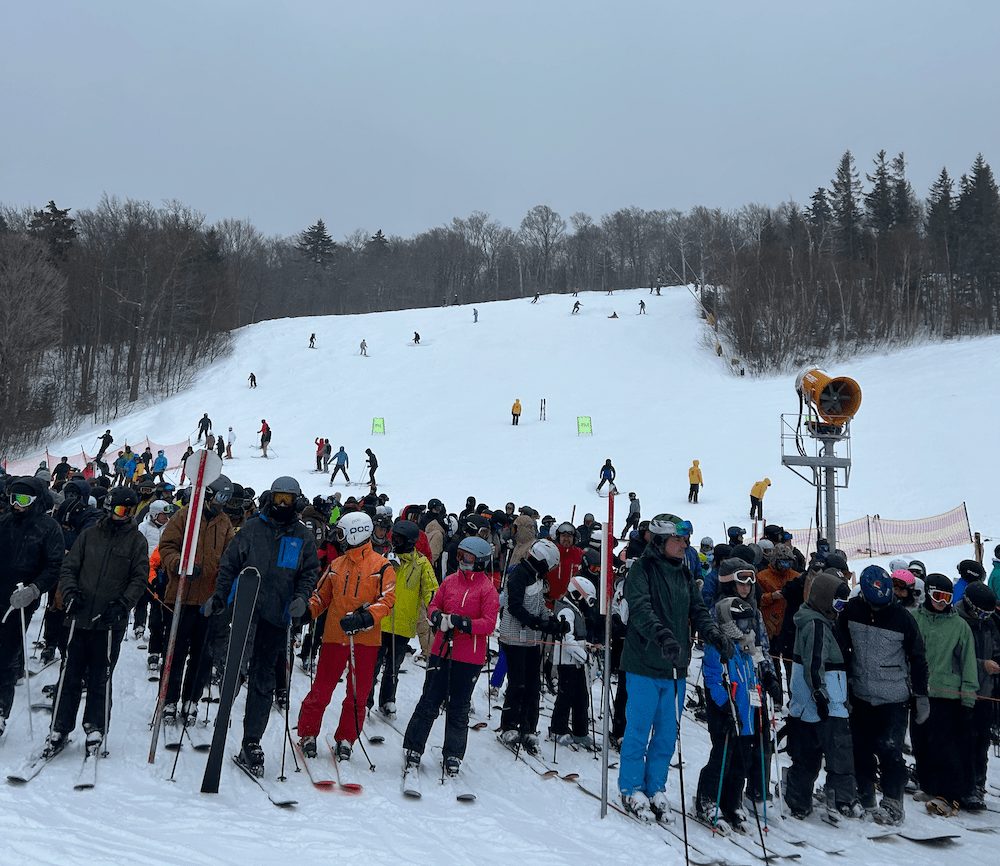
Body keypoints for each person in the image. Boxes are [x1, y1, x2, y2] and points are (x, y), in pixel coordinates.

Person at [618, 514, 734, 824]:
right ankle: (631, 786)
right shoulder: (642, 569)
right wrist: (662, 634)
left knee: (668, 733)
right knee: (639, 728)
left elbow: (698, 609)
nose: (684, 545)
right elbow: (640, 607)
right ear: (660, 541)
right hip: (644, 662)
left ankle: (656, 786)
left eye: (685, 540)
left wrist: (713, 634)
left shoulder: (683, 573)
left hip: (674, 667)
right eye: (678, 539)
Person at [202, 476, 319, 775]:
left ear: (296, 502)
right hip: (245, 614)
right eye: (278, 498)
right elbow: (230, 563)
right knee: (233, 669)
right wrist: (219, 598)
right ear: (270, 497)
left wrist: (302, 598)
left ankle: (251, 740)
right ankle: (221, 719)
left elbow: (309, 572)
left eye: (288, 500)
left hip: (276, 618)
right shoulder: (253, 528)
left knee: (264, 681)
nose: (282, 505)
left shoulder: (300, 535)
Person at [46, 487, 148, 758]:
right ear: (109, 508)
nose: (124, 516)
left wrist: (123, 604)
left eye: (129, 511)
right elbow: (69, 568)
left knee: (100, 677)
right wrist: (70, 594)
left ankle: (95, 727)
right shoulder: (89, 535)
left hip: (109, 622)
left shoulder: (136, 541)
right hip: (78, 619)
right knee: (70, 673)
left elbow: (139, 578)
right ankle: (59, 726)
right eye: (119, 510)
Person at [296, 512, 395, 762]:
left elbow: (388, 600)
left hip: (365, 641)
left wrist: (366, 617)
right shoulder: (337, 565)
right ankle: (308, 732)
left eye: (341, 534)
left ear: (356, 533)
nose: (338, 539)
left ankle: (346, 737)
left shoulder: (381, 566)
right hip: (334, 637)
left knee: (357, 694)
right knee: (322, 688)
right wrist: (307, 611)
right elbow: (321, 596)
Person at [835, 565, 929, 825]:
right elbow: (841, 648)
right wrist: (842, 684)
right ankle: (866, 797)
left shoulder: (903, 619)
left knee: (890, 751)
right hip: (860, 694)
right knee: (861, 750)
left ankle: (893, 802)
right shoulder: (851, 611)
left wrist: (921, 695)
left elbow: (918, 658)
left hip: (894, 698)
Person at [402, 536, 500, 777]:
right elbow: (434, 604)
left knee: (458, 706)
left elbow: (488, 624)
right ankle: (414, 746)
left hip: (468, 657)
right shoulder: (450, 581)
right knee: (429, 700)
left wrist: (464, 623)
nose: (462, 561)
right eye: (459, 555)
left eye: (467, 557)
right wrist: (436, 617)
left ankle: (453, 753)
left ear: (480, 561)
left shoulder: (487, 589)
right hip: (441, 651)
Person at [158, 476, 236, 725]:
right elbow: (167, 546)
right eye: (218, 498)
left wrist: (223, 586)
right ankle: (169, 699)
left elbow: (230, 556)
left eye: (225, 499)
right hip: (180, 596)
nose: (221, 504)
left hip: (207, 600)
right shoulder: (184, 516)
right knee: (175, 651)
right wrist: (180, 564)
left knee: (203, 655)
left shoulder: (224, 523)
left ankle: (191, 698)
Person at [784, 570, 859, 819]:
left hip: (819, 703)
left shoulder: (821, 621)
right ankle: (831, 799)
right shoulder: (815, 624)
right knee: (833, 752)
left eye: (843, 605)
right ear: (824, 598)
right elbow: (814, 664)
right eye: (837, 603)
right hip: (823, 703)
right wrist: (821, 695)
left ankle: (814, 798)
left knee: (814, 754)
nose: (839, 610)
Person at [0, 477, 63, 738]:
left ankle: (1, 709)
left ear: (36, 501)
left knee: (6, 652)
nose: (17, 505)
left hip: (21, 598)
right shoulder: (4, 522)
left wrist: (35, 589)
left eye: (23, 500)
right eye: (13, 498)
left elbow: (54, 565)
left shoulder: (48, 528)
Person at [911, 573, 979, 812]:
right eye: (938, 596)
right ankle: (929, 785)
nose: (942, 602)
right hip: (919, 692)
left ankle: (949, 794)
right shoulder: (914, 618)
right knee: (921, 742)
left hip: (947, 695)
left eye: (947, 598)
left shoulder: (958, 625)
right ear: (928, 594)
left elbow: (968, 663)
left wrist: (968, 699)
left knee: (945, 746)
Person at [694, 597, 763, 834]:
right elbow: (713, 678)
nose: (746, 628)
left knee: (741, 762)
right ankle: (708, 799)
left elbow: (752, 679)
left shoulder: (747, 648)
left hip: (745, 715)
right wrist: (724, 704)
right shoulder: (719, 647)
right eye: (741, 623)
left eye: (748, 623)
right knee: (722, 756)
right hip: (726, 713)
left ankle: (732, 801)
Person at [498, 539, 564, 753]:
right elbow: (514, 606)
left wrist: (552, 622)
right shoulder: (519, 574)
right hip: (514, 638)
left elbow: (539, 606)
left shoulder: (536, 577)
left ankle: (528, 727)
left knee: (533, 685)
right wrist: (537, 622)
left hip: (532, 640)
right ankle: (509, 724)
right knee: (518, 683)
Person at [369, 520, 437, 716]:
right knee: (373, 665)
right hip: (381, 621)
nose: (395, 542)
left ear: (410, 541)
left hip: (403, 624)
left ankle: (388, 699)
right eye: (393, 538)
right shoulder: (385, 558)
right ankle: (366, 699)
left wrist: (435, 608)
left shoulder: (421, 563)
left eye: (399, 539)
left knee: (393, 666)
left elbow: (431, 588)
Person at [956, 581, 1000, 809]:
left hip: (986, 692)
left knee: (981, 742)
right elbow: (953, 659)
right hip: (961, 692)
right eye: (982, 612)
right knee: (964, 740)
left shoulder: (990, 623)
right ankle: (963, 787)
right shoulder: (957, 621)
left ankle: (978, 785)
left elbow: (997, 650)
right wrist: (983, 665)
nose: (985, 616)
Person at [548, 574, 597, 748]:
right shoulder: (566, 611)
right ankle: (557, 729)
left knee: (581, 697)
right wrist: (584, 656)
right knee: (565, 696)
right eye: (586, 599)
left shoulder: (575, 610)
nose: (587, 604)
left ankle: (580, 732)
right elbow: (567, 640)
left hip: (576, 662)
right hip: (566, 663)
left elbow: (578, 637)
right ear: (577, 595)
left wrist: (588, 646)